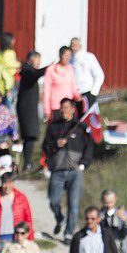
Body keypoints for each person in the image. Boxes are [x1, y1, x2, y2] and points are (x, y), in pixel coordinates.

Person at [42, 96, 93, 241]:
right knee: (53, 200)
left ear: (73, 109)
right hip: (57, 171)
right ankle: (60, 218)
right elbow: (45, 147)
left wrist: (83, 164)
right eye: (61, 108)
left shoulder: (81, 127)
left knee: (74, 205)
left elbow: (89, 147)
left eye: (66, 108)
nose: (63, 111)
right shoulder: (53, 127)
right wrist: (55, 145)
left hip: (74, 172)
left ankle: (69, 233)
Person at [0, 171, 34, 252]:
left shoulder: (21, 198)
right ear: (1, 184)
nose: (7, 186)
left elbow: (28, 219)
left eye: (10, 183)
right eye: (5, 183)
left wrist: (30, 237)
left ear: (13, 183)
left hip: (15, 239)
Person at [15, 51, 44, 171]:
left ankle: (26, 162)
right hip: (26, 109)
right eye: (37, 60)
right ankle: (26, 163)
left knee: (30, 136)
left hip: (30, 108)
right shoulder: (27, 70)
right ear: (30, 60)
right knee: (29, 135)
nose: (38, 63)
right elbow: (36, 74)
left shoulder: (29, 71)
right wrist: (49, 68)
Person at [41, 45, 81, 119]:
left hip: (68, 106)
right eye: (65, 55)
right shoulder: (51, 69)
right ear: (60, 55)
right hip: (56, 107)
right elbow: (46, 90)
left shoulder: (70, 69)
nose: (67, 58)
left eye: (69, 55)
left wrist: (78, 96)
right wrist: (46, 110)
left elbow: (72, 86)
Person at [70, 36, 105, 108]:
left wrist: (94, 91)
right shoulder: (69, 60)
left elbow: (99, 75)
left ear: (80, 46)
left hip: (87, 92)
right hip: (74, 94)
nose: (74, 47)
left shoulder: (88, 57)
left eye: (76, 44)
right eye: (72, 45)